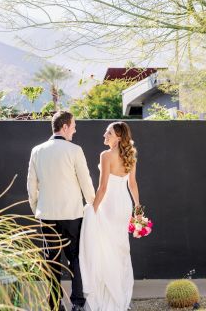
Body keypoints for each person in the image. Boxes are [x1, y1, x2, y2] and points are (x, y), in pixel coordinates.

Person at [27, 111, 95, 311]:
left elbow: (31, 185)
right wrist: (92, 204)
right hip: (72, 214)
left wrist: (36, 208)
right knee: (75, 257)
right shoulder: (75, 150)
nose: (75, 129)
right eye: (73, 125)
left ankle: (55, 303)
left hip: (46, 215)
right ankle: (77, 303)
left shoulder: (37, 151)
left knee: (52, 260)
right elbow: (86, 182)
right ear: (64, 127)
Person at [79, 122, 140, 311]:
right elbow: (132, 184)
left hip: (109, 205)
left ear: (119, 137)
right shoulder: (130, 155)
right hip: (124, 205)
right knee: (120, 248)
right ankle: (120, 296)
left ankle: (109, 296)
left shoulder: (106, 155)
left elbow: (103, 187)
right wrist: (137, 207)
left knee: (106, 248)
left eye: (109, 132)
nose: (105, 134)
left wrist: (93, 210)